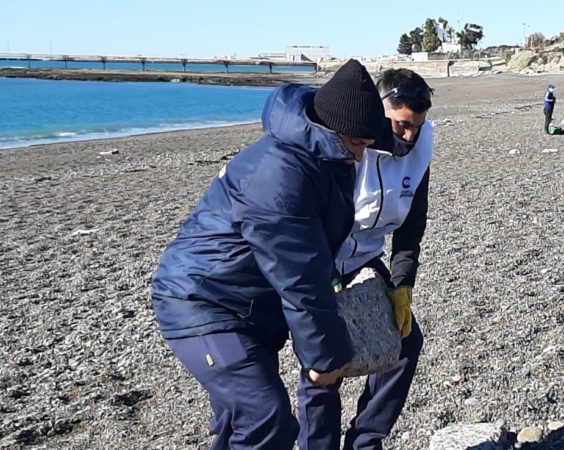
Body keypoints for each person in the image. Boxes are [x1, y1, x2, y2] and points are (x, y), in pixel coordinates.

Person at [149, 59, 386, 450]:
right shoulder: (280, 176)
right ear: (333, 128)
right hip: (203, 303)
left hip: (247, 304)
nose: (361, 158)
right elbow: (300, 276)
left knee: (238, 419)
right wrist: (326, 359)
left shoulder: (325, 152)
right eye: (358, 145)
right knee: (267, 419)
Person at [296, 68, 434, 450]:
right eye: (401, 125)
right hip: (319, 257)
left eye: (416, 127)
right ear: (377, 111)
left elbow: (411, 226)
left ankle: (366, 441)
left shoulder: (421, 150)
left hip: (365, 258)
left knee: (405, 344)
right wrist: (324, 279)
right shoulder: (345, 141)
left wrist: (403, 283)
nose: (409, 136)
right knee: (326, 359)